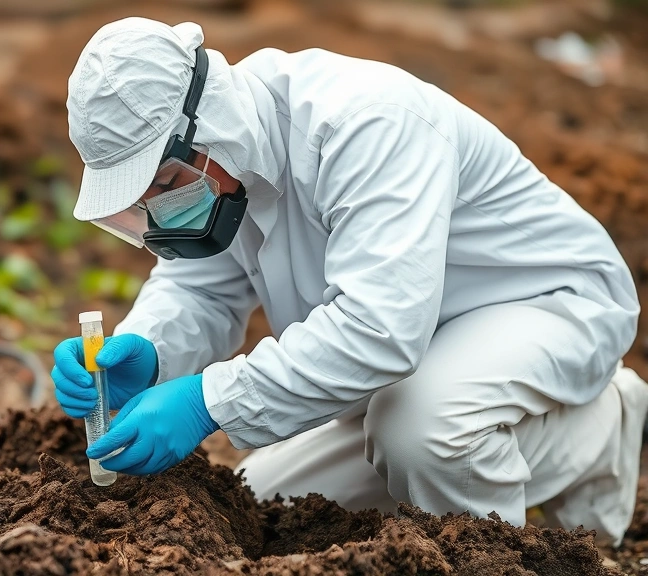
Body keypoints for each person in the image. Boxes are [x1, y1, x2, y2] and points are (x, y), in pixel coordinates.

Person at [50, 16, 647, 547]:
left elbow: (377, 331)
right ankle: (472, 439)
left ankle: (595, 432)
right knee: (260, 497)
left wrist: (207, 402)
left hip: (543, 304)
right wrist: (150, 350)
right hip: (418, 351)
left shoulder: (364, 123)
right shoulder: (231, 161)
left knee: (423, 433)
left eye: (161, 182)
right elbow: (199, 288)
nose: (157, 209)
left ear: (204, 131)